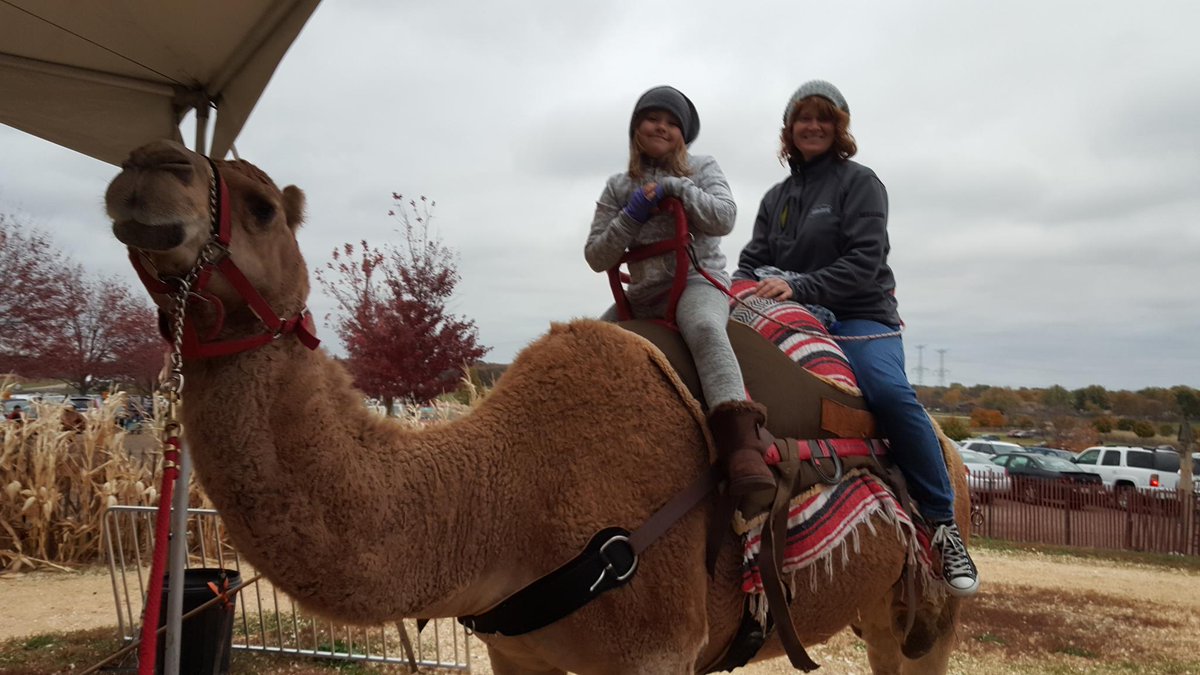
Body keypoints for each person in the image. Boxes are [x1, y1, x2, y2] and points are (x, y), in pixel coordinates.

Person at [733, 80, 979, 597]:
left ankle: (942, 524)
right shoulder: (776, 198)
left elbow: (865, 263)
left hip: (859, 317)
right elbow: (751, 262)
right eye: (803, 118)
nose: (813, 126)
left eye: (825, 117)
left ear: (840, 127)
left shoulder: (861, 183)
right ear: (789, 129)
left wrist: (798, 284)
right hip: (795, 316)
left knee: (888, 394)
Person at [586, 85, 775, 496]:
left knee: (704, 327)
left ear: (684, 136)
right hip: (642, 292)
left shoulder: (702, 168)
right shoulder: (618, 186)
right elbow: (596, 255)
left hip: (697, 280)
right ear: (637, 126)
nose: (662, 127)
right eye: (654, 118)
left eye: (673, 123)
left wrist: (677, 189)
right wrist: (632, 215)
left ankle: (742, 446)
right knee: (587, 345)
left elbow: (724, 217)